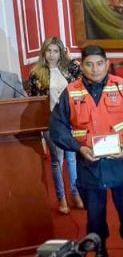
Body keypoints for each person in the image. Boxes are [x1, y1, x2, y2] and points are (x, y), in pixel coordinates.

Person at [49, 45, 123, 257]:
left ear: (107, 63)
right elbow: (57, 127)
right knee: (94, 215)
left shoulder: (122, 87)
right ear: (81, 65)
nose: (95, 69)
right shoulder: (71, 92)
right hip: (90, 165)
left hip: (120, 163)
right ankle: (100, 254)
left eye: (99, 63)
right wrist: (78, 148)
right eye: (89, 64)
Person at [27, 36, 84, 213]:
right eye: (48, 51)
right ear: (44, 52)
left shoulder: (69, 69)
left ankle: (75, 193)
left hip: (70, 121)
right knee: (57, 160)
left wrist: (69, 57)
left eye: (55, 51)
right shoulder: (36, 73)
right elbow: (33, 101)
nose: (52, 55)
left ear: (61, 52)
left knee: (72, 158)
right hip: (50, 122)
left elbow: (81, 80)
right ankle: (62, 198)